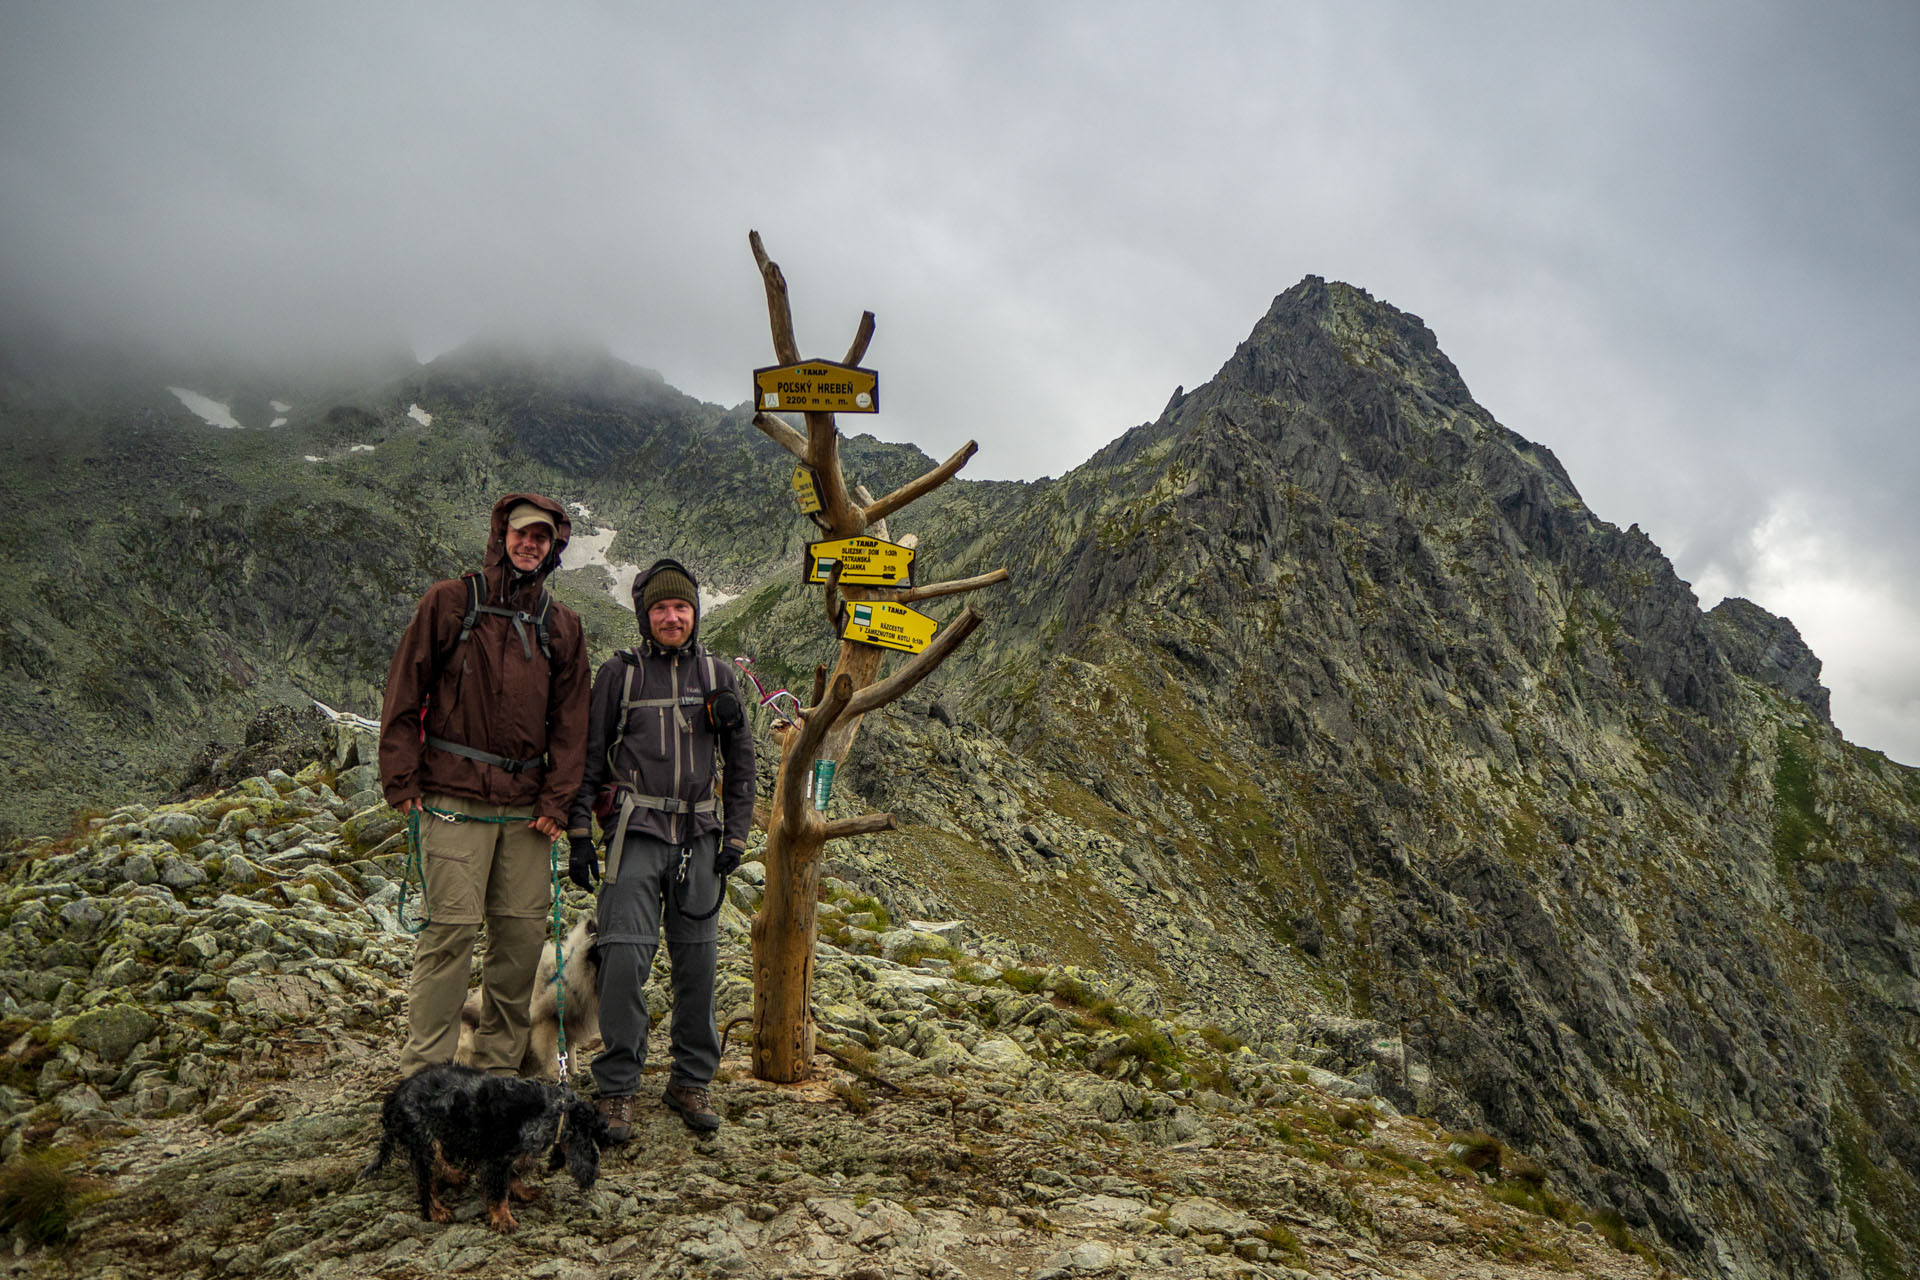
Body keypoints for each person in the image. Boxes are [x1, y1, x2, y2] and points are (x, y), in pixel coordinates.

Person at [379, 493, 589, 1078]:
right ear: (503, 535)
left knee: (520, 948)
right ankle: (428, 1080)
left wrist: (556, 802)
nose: (531, 545)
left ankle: (499, 1080)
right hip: (451, 801)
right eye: (523, 534)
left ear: (553, 548)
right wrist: (402, 780)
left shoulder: (562, 625)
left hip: (528, 814)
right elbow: (404, 691)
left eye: (543, 539)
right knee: (448, 938)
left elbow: (573, 727)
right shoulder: (449, 603)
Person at [568, 557, 754, 1139]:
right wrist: (579, 832)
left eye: (681, 608)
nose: (672, 618)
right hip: (634, 835)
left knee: (698, 964)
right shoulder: (619, 676)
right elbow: (590, 758)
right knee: (623, 960)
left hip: (699, 837)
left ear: (694, 614)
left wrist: (737, 835)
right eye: (660, 609)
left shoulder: (720, 677)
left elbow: (743, 763)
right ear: (645, 617)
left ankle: (690, 1082)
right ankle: (618, 1088)